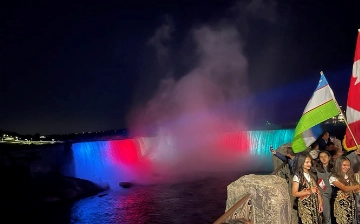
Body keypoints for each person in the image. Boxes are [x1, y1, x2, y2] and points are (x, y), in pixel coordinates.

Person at [292, 153, 323, 224]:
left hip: (315, 205)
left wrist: (320, 202)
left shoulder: (312, 174)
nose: (309, 164)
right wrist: (309, 192)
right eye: (307, 162)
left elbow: (317, 189)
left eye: (310, 162)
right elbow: (294, 193)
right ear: (301, 163)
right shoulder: (297, 176)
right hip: (305, 207)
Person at [329, 156, 360, 224]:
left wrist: (356, 190)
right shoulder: (333, 177)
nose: (347, 167)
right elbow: (345, 188)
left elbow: (353, 190)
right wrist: (357, 186)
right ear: (338, 165)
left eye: (348, 165)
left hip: (351, 206)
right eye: (344, 165)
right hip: (340, 207)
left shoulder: (349, 176)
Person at [315, 151, 333, 224]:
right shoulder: (316, 170)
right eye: (321, 157)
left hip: (335, 193)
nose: (323, 158)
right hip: (324, 194)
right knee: (327, 215)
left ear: (329, 157)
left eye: (325, 156)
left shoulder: (334, 168)